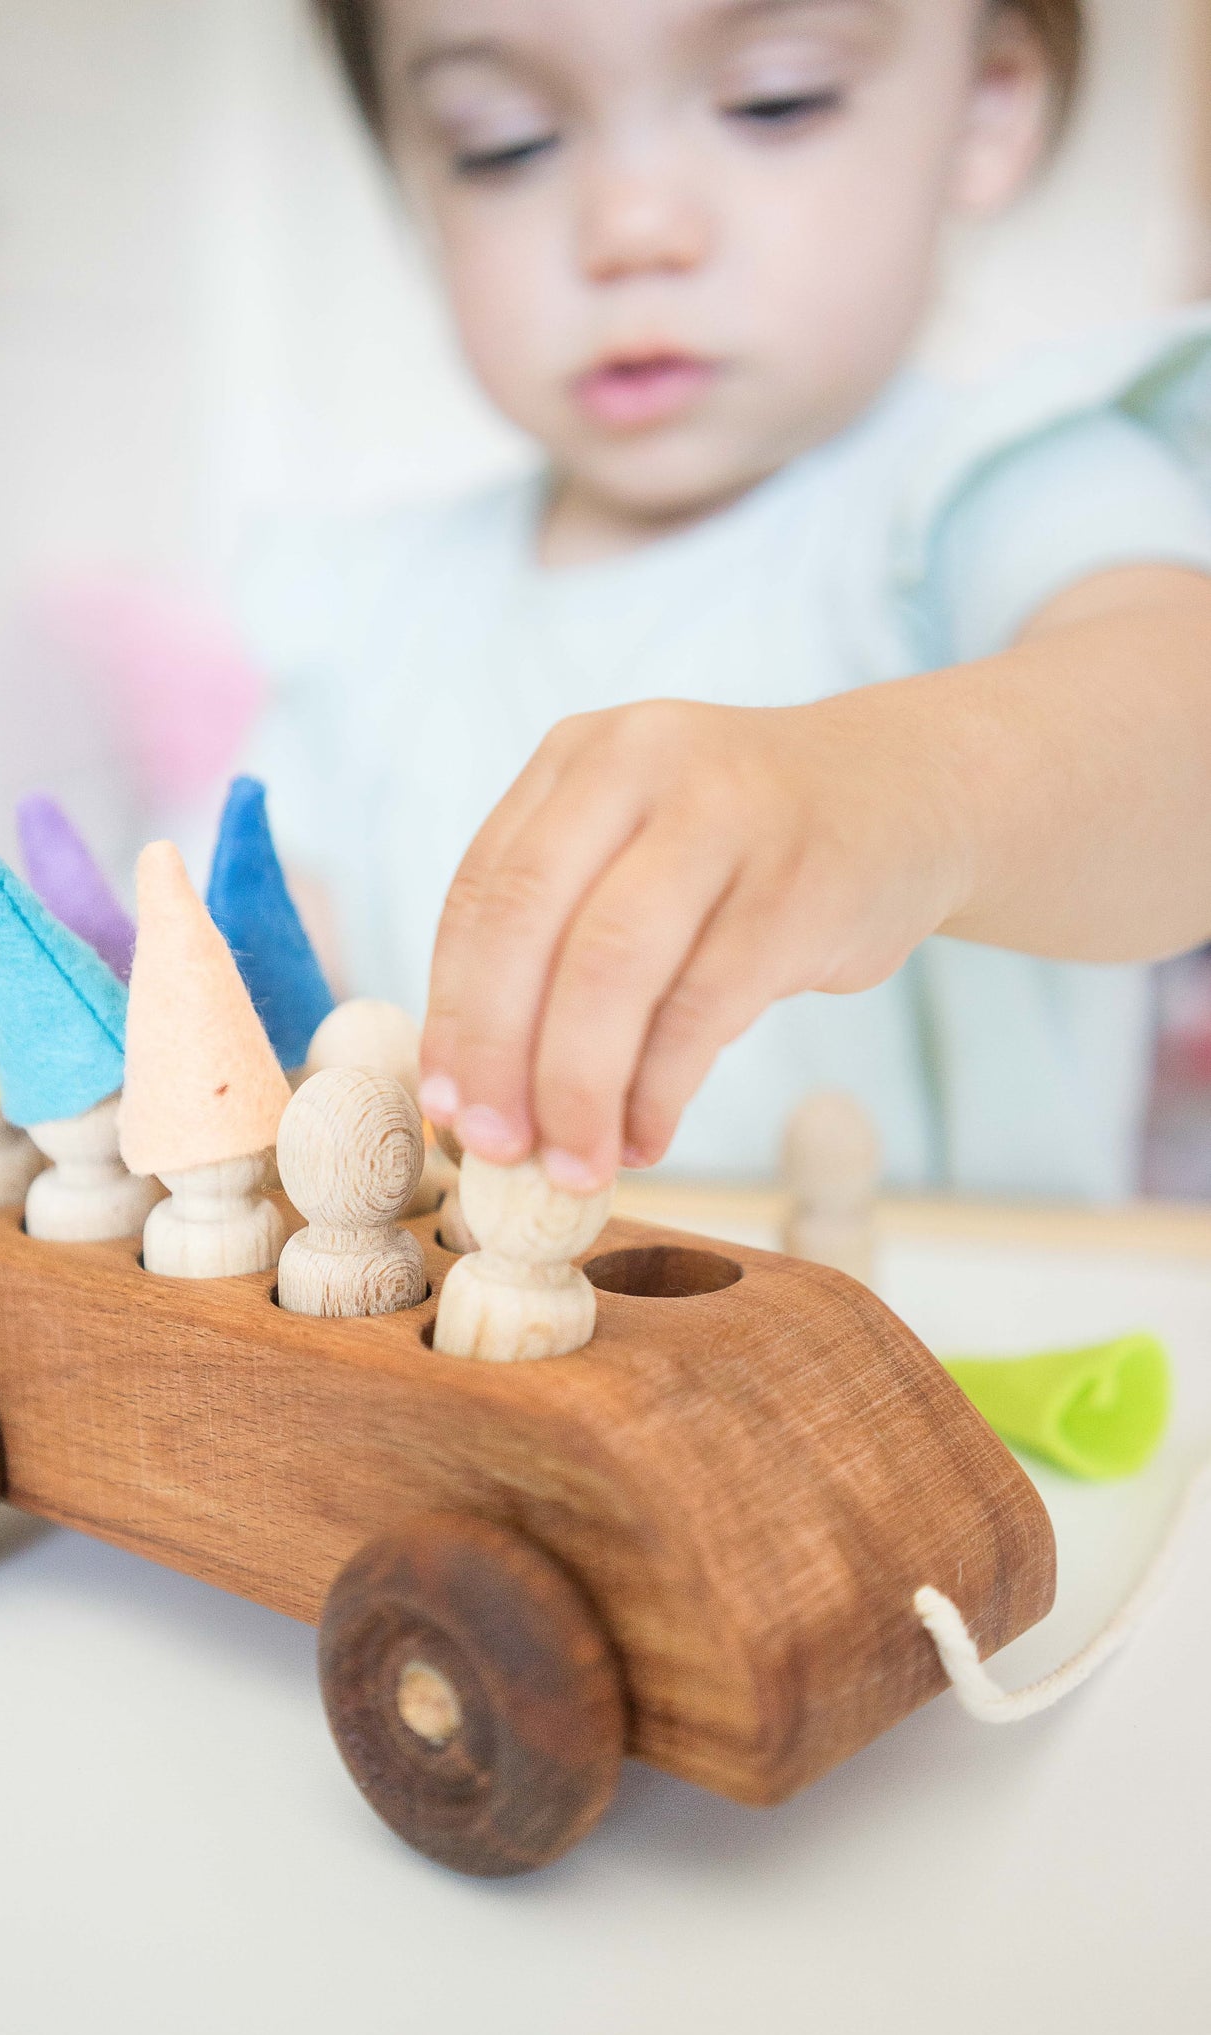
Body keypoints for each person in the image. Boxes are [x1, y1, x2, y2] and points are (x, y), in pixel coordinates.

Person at [235, 0, 1211, 1198]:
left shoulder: (1006, 485)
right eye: (502, 142)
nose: (630, 229)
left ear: (986, 103)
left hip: (957, 1316)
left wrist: (898, 790)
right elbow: (268, 990)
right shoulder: (363, 610)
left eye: (772, 99)